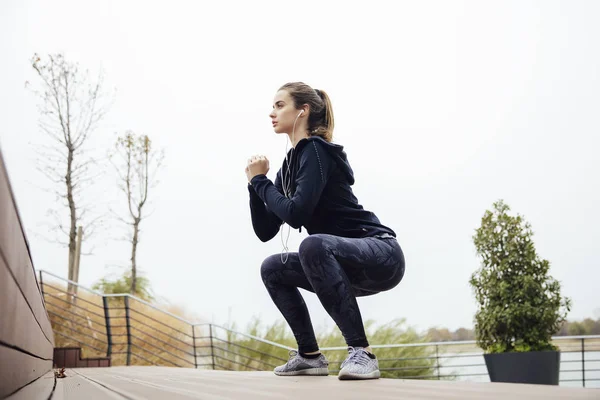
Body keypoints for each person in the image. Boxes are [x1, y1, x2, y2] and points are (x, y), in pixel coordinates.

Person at [245, 82, 405, 380]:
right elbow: (266, 230)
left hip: (380, 253)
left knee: (312, 246)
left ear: (302, 110)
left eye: (280, 105)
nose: (272, 113)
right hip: (339, 263)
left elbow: (297, 214)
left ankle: (362, 353)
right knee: (272, 268)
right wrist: (256, 186)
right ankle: (309, 356)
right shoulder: (290, 166)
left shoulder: (316, 151)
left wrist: (261, 184)